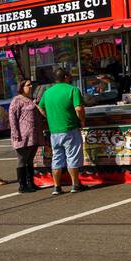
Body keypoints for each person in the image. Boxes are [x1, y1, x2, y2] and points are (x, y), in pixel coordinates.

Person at [36, 66, 87, 195]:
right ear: (65, 77)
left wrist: (50, 117)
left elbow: (40, 108)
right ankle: (75, 184)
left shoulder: (48, 92)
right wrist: (81, 121)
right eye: (69, 76)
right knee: (72, 157)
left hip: (54, 131)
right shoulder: (73, 90)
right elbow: (79, 109)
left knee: (57, 159)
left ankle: (57, 187)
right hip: (70, 129)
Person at [8, 77, 44, 193]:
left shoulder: (30, 99)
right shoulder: (17, 100)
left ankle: (31, 182)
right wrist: (15, 133)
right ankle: (22, 185)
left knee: (30, 160)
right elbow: (12, 118)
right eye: (28, 85)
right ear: (22, 87)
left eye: (31, 85)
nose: (31, 86)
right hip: (22, 135)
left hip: (33, 135)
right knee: (22, 159)